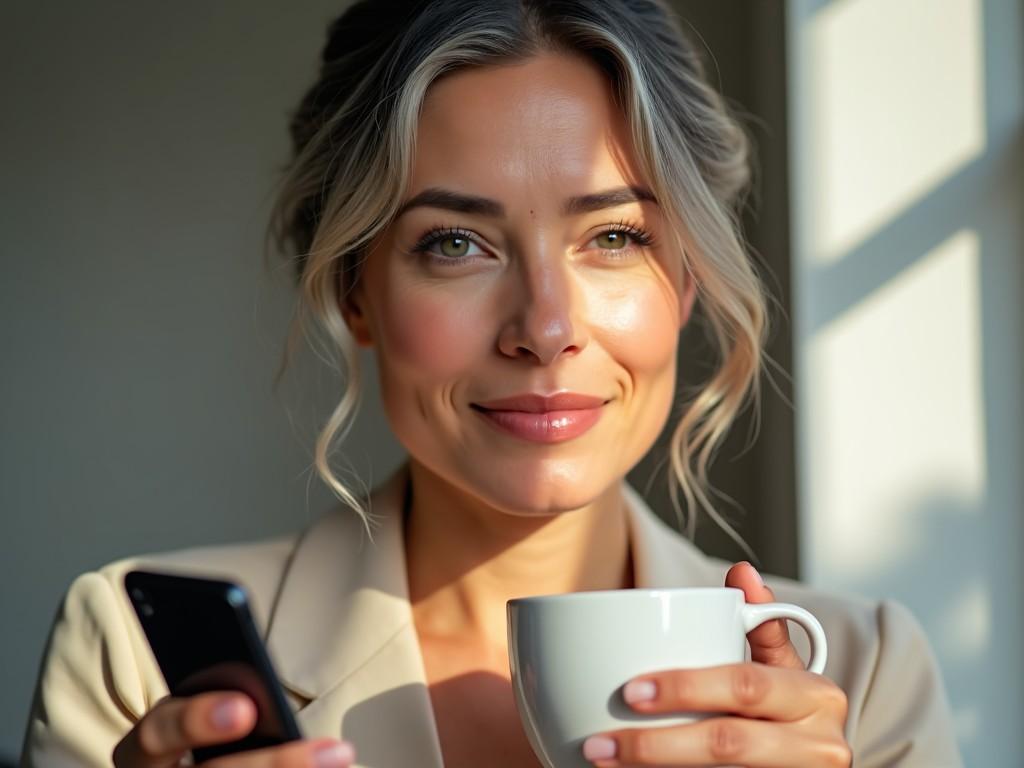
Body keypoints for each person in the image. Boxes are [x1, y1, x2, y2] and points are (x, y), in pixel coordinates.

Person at [21, 1, 962, 766]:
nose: (546, 328)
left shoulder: (866, 678)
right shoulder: (133, 657)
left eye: (615, 237)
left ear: (685, 281)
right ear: (356, 291)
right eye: (456, 244)